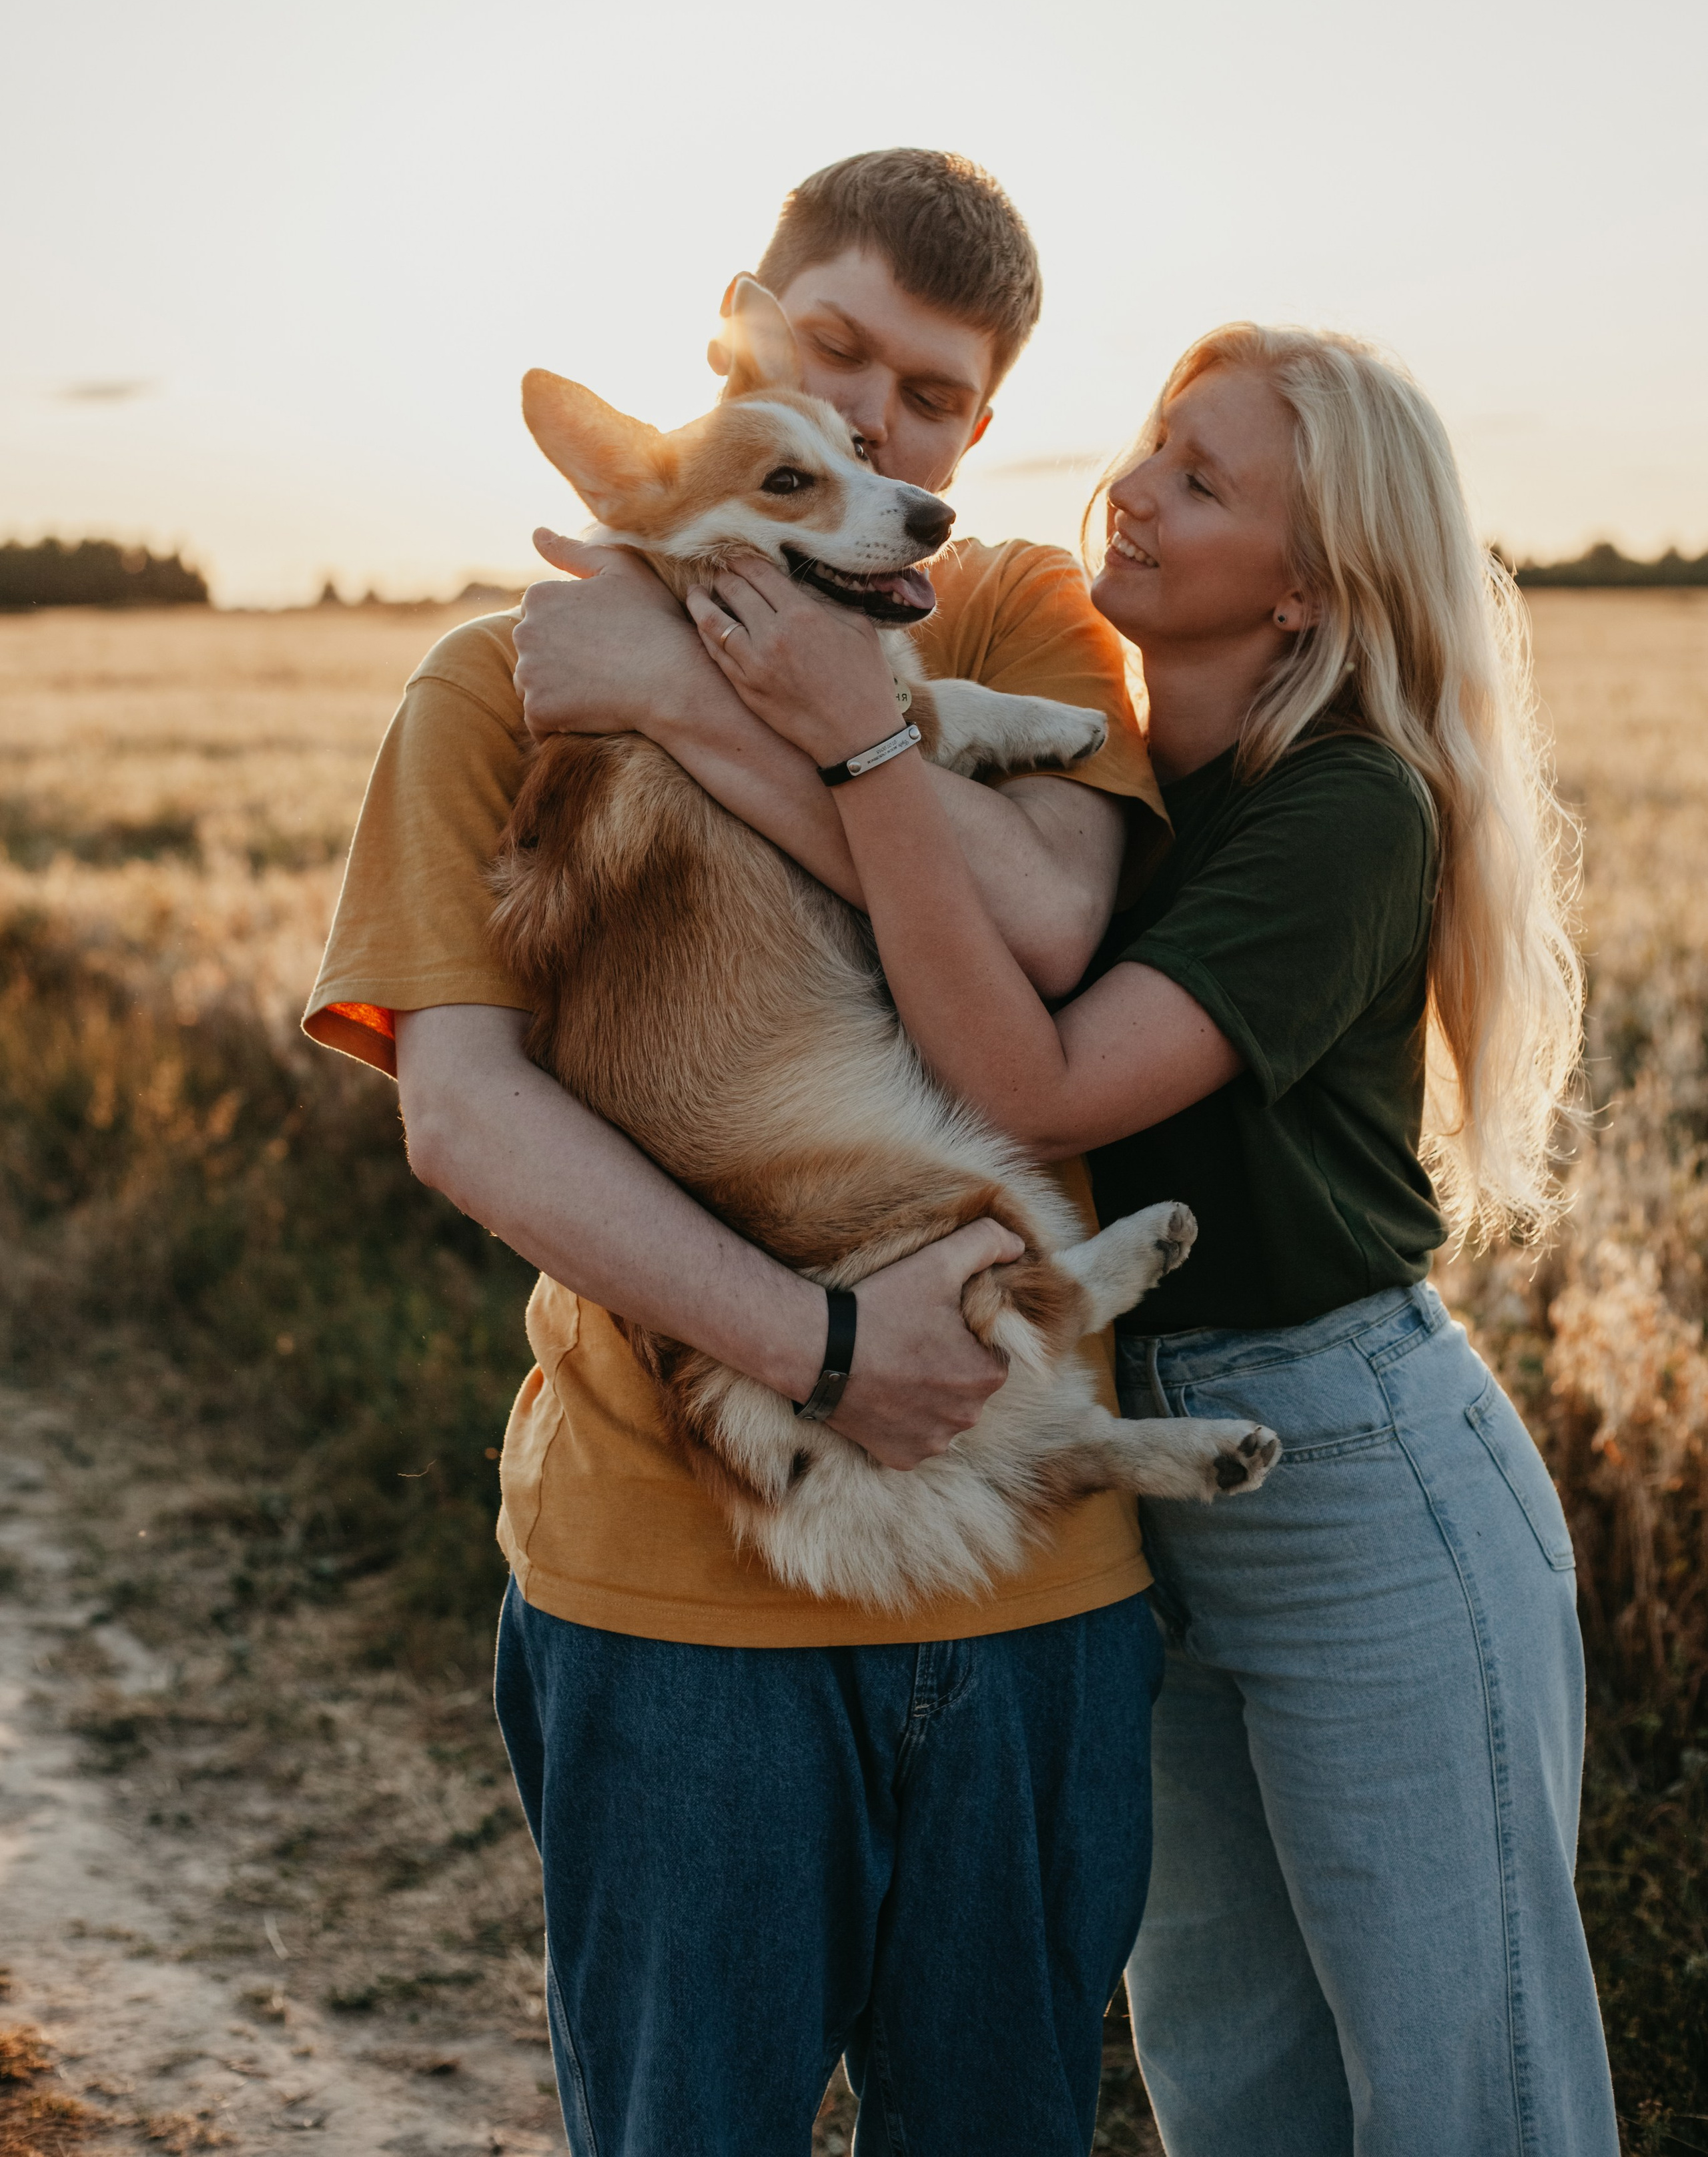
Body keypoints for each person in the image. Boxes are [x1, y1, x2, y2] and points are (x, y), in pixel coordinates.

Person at [303, 149, 1176, 2155]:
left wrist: (716, 702)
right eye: (833, 348)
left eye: (935, 396)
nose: (875, 416)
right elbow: (466, 1108)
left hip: (1033, 1576)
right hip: (669, 1590)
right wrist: (827, 1352)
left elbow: (1045, 932)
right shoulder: (499, 676)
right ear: (741, 327)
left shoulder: (1028, 622)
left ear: (982, 427)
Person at [691, 320, 1621, 2157]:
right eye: (1151, 444)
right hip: (1130, 1468)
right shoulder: (1102, 786)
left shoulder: (1350, 804)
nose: (1136, 488)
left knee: (1465, 2095)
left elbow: (1033, 1086)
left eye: (1206, 481)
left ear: (1310, 587)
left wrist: (861, 733)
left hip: (1362, 1483)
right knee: (1230, 2082)